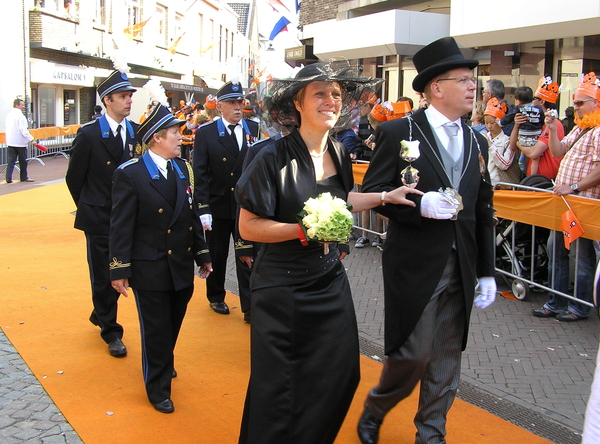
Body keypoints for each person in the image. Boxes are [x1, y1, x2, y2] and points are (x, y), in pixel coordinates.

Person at [235, 62, 421, 444]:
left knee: (341, 374)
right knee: (281, 389)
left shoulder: (339, 150)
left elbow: (341, 200)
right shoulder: (270, 156)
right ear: (298, 103)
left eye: (336, 93)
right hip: (282, 288)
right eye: (319, 93)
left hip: (328, 281)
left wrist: (386, 195)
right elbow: (248, 225)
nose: (331, 100)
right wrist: (301, 230)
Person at [356, 36, 497, 444]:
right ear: (436, 87)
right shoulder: (400, 130)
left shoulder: (477, 140)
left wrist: (487, 271)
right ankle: (377, 407)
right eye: (464, 80)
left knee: (447, 357)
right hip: (415, 263)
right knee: (413, 355)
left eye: (475, 81)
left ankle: (431, 435)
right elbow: (379, 190)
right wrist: (418, 207)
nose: (474, 87)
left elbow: (483, 211)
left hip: (463, 265)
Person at [109, 105, 212, 413]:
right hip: (150, 265)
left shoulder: (182, 168)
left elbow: (191, 216)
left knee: (173, 323)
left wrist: (203, 255)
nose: (180, 138)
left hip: (180, 263)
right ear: (156, 139)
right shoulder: (130, 174)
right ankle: (158, 387)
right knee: (156, 329)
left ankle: (163, 361)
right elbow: (121, 224)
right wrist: (119, 268)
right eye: (174, 133)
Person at [65, 70, 139, 357]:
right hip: (100, 217)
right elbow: (74, 178)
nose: (128, 100)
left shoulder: (134, 131)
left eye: (130, 95)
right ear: (107, 100)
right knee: (104, 273)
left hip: (128, 215)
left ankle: (100, 313)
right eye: (123, 96)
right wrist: (91, 204)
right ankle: (111, 330)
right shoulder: (89, 133)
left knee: (125, 269)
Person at [531, 71, 600, 322]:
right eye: (575, 102)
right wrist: (551, 130)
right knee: (556, 251)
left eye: (581, 102)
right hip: (566, 203)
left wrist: (574, 186)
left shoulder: (599, 130)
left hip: (583, 204)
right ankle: (556, 301)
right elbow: (558, 150)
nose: (576, 107)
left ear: (597, 103)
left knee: (581, 257)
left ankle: (579, 306)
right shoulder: (583, 128)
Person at [193, 81, 259, 318]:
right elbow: (199, 173)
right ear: (219, 107)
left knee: (248, 253)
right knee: (217, 254)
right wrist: (202, 207)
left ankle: (250, 305)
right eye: (231, 103)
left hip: (246, 206)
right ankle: (216, 296)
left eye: (240, 102)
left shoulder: (254, 129)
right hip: (218, 204)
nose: (238, 107)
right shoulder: (206, 133)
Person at [509, 76, 564, 179]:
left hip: (544, 182)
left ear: (542, 102)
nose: (532, 102)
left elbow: (534, 153)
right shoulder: (530, 118)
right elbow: (512, 146)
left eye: (534, 99)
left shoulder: (554, 124)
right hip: (529, 179)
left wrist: (518, 143)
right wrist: (516, 125)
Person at [484, 98, 520, 186]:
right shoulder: (482, 136)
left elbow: (505, 164)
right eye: (486, 122)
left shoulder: (507, 141)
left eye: (492, 122)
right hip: (483, 183)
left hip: (500, 186)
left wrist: (491, 146)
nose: (489, 126)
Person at [5, 98, 35, 184]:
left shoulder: (9, 115)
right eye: (22, 105)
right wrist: (32, 139)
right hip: (20, 143)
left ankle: (8, 177)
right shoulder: (21, 117)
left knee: (11, 161)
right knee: (23, 161)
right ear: (17, 105)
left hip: (11, 142)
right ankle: (23, 177)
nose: (23, 107)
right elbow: (23, 130)